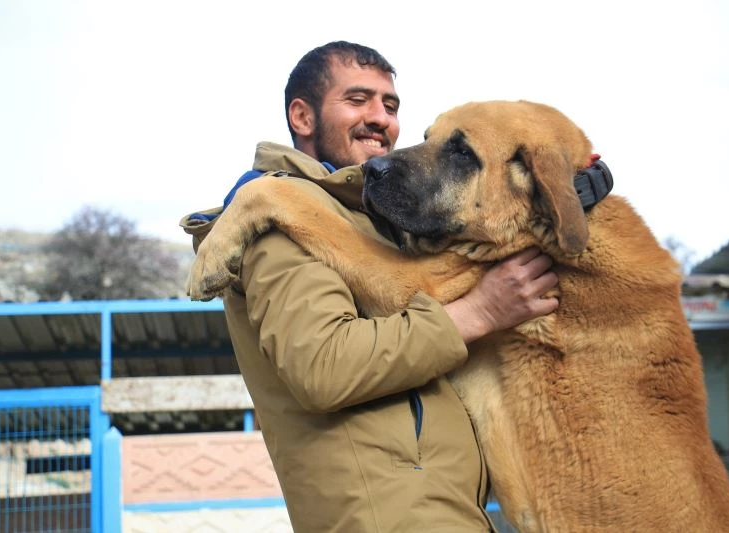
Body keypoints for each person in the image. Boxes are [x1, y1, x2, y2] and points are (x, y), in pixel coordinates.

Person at [180, 41, 559, 533]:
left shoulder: (364, 221)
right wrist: (479, 313)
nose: (381, 117)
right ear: (303, 116)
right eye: (357, 100)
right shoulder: (282, 215)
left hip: (437, 512)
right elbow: (324, 366)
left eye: (390, 104)